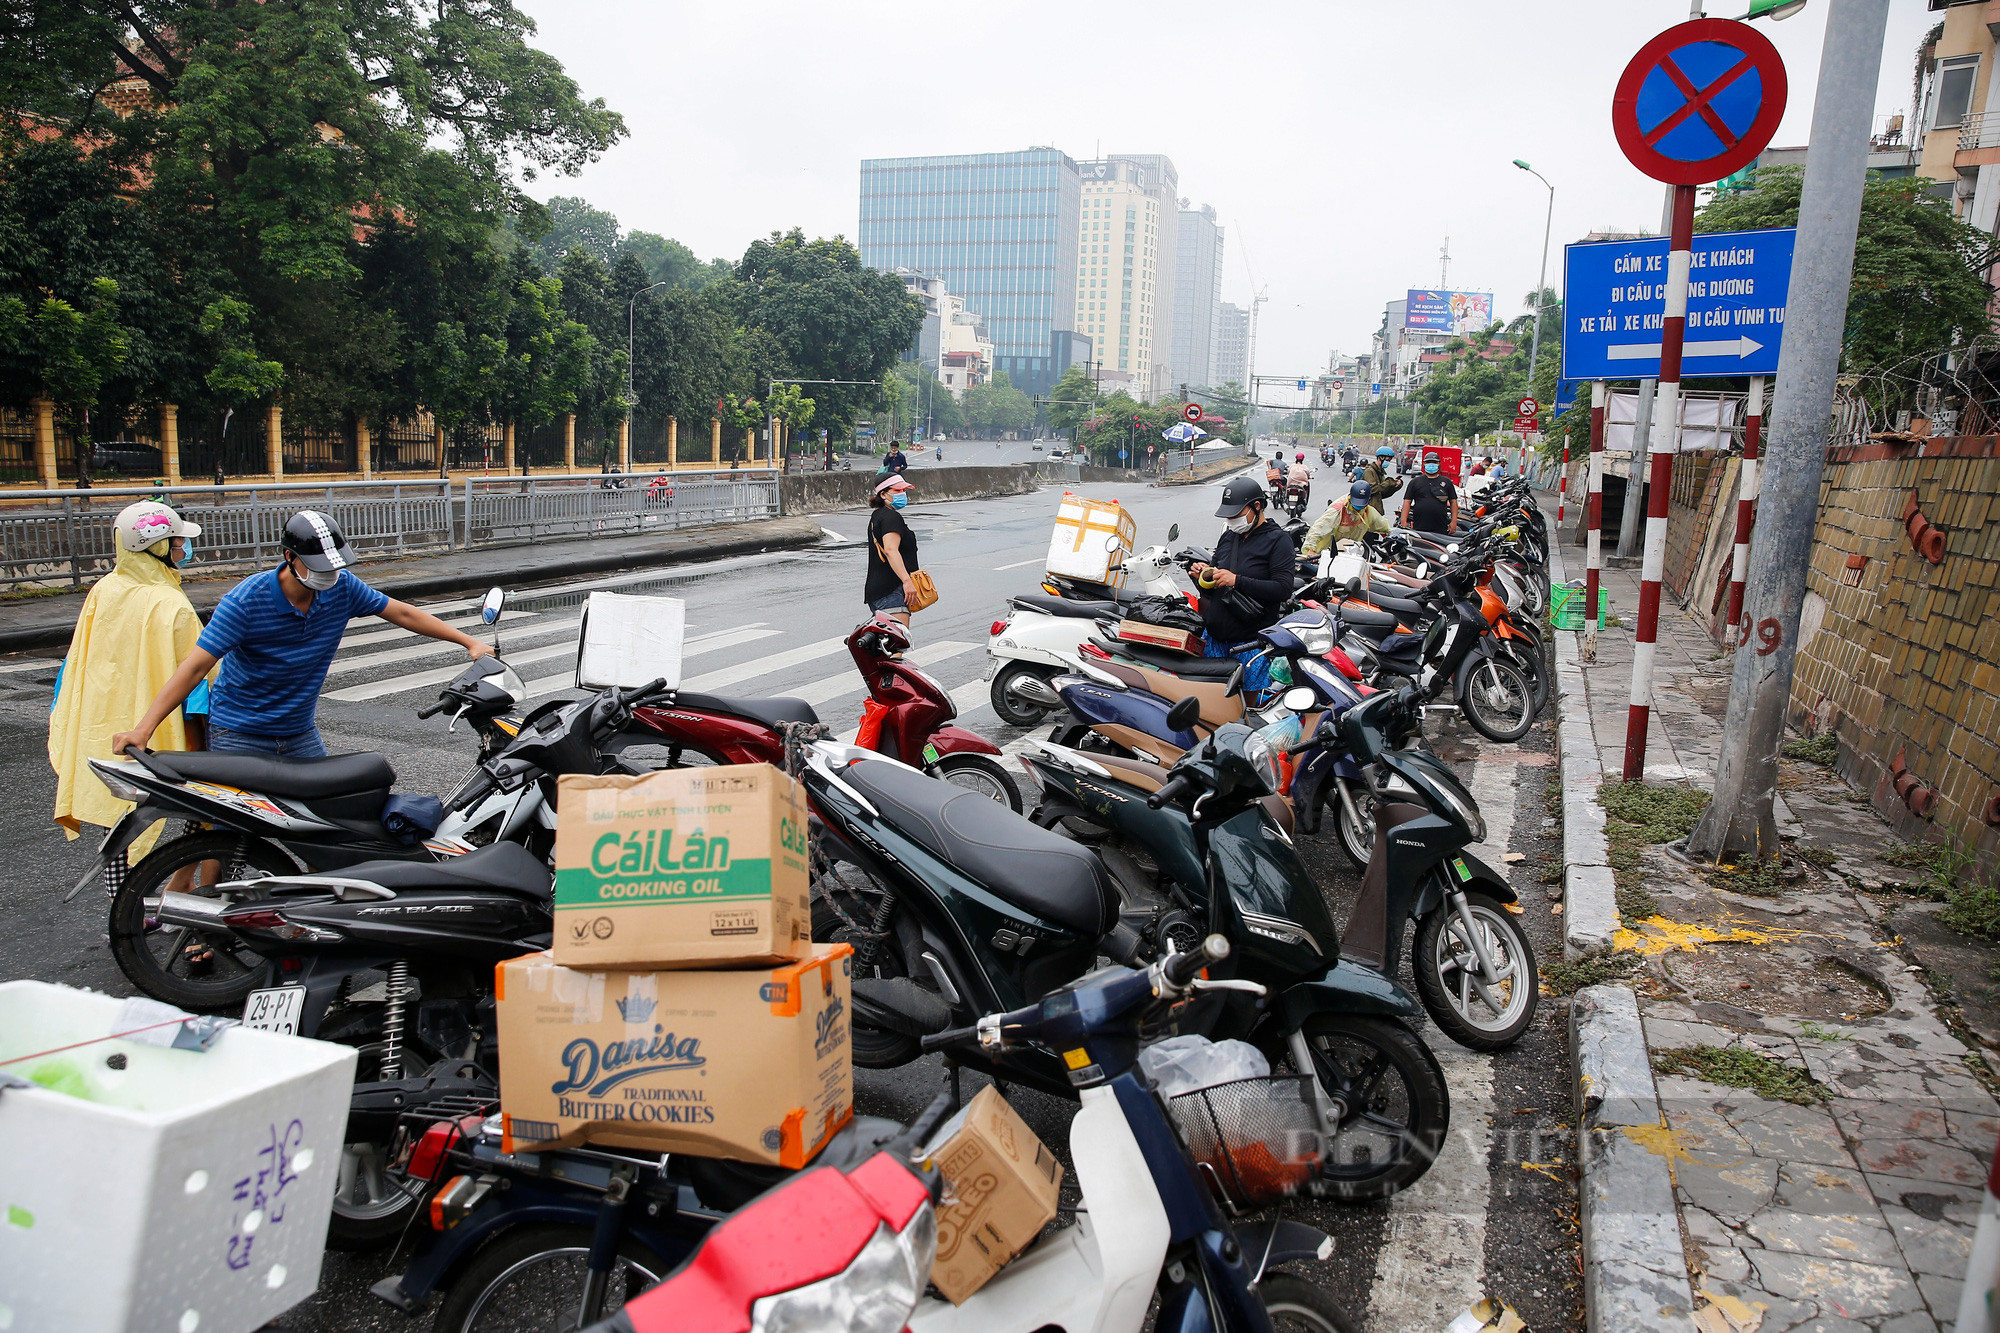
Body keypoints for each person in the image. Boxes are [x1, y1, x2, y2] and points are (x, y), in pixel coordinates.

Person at [112, 511, 493, 760]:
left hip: (298, 733)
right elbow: (194, 668)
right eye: (318, 566)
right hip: (240, 735)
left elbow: (401, 612)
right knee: (230, 832)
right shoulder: (246, 601)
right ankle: (204, 888)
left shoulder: (342, 588)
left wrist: (469, 642)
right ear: (289, 557)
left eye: (335, 566)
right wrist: (144, 729)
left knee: (324, 824)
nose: (329, 574)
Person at [51, 501, 212, 893]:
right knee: (206, 803)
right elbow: (199, 678)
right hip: (162, 726)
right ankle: (182, 883)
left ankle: (125, 907)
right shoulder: (170, 603)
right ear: (157, 546)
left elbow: (76, 663)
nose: (182, 549)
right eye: (176, 542)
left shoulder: (103, 589)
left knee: (119, 816)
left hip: (107, 724)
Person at [1187, 476, 1293, 697]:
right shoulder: (1228, 537)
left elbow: (1283, 589)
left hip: (1250, 644)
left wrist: (1237, 580)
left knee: (1245, 706)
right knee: (1211, 702)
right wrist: (1202, 576)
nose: (1231, 519)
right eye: (1229, 515)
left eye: (1236, 514)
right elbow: (1213, 587)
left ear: (1256, 506)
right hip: (1215, 639)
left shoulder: (1278, 540)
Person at [864, 474, 921, 627]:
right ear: (883, 494)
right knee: (896, 645)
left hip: (879, 590)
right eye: (897, 490)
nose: (902, 493)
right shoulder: (891, 517)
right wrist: (907, 581)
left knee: (885, 646)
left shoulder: (877, 516)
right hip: (892, 590)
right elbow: (890, 550)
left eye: (904, 490)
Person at [1301, 481, 1392, 557]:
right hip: (1325, 554)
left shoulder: (1368, 512)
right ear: (1350, 497)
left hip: (1350, 555)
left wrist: (1393, 535)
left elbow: (1384, 526)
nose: (1358, 507)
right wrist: (1311, 549)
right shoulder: (1338, 509)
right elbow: (1318, 529)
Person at [1401, 451, 1460, 535]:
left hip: (1440, 525)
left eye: (1434, 462)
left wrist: (1454, 522)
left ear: (1439, 463)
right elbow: (1407, 502)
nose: (1431, 464)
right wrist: (1404, 521)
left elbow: (1453, 502)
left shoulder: (1446, 482)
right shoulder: (1415, 482)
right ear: (1424, 464)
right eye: (1428, 462)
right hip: (1420, 525)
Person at [1361, 446, 1402, 515]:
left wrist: (1395, 486)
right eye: (1387, 460)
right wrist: (1389, 482)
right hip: (1368, 510)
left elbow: (1381, 493)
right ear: (1381, 458)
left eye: (1389, 461)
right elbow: (1372, 489)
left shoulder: (1380, 472)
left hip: (1376, 510)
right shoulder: (1370, 471)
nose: (1388, 463)